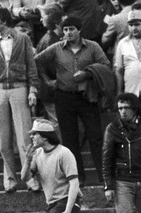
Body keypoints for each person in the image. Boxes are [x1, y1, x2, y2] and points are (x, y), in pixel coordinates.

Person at [35, 17, 109, 186]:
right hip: (64, 96)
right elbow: (37, 60)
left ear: (79, 30)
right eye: (65, 29)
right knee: (69, 139)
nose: (68, 33)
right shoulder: (56, 48)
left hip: (86, 97)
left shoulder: (92, 47)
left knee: (95, 137)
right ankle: (78, 178)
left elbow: (105, 65)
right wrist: (47, 80)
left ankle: (104, 177)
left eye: (71, 29)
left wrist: (88, 73)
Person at [0, 8, 40, 194]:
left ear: (3, 21)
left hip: (19, 87)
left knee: (24, 136)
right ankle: (9, 179)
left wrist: (33, 89)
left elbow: (32, 66)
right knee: (4, 139)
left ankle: (30, 177)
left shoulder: (22, 39)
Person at [114, 7, 141, 123]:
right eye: (130, 25)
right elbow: (119, 70)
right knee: (134, 126)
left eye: (136, 24)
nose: (133, 28)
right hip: (131, 92)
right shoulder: (123, 43)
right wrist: (120, 92)